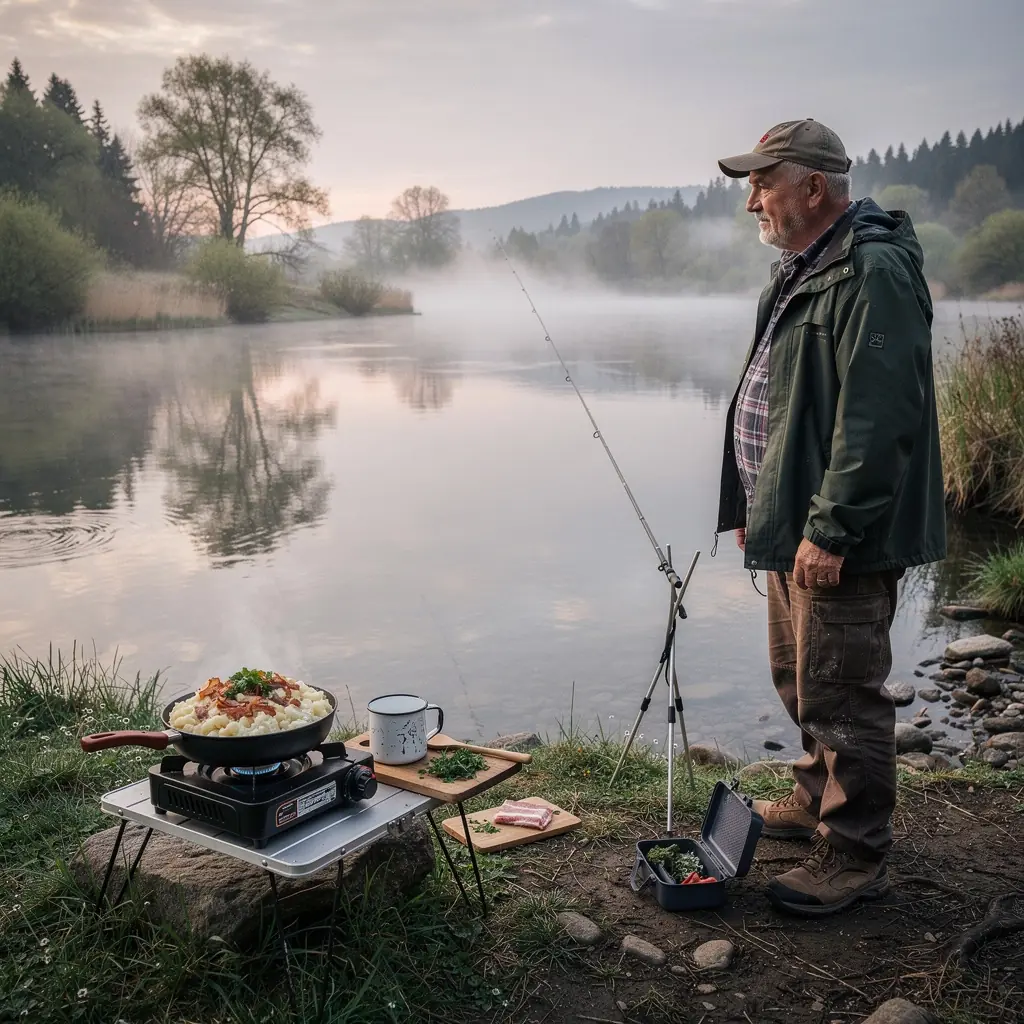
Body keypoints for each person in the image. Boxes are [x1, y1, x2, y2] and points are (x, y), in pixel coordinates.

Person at [714, 119, 946, 916]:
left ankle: (853, 855)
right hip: (792, 525)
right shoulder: (804, 266)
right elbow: (785, 406)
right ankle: (816, 798)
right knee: (803, 678)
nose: (751, 201)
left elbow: (879, 418)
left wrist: (831, 529)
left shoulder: (873, 270)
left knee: (845, 692)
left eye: (762, 182)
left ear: (813, 187)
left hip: (839, 536)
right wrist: (758, 506)